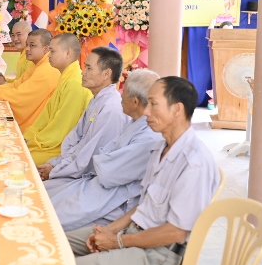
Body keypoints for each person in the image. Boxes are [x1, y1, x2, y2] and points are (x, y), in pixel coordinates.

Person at [66, 77, 221, 265]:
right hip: (132, 234)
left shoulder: (194, 163)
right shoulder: (160, 148)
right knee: (56, 243)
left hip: (157, 256)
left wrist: (117, 242)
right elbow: (144, 205)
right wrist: (110, 230)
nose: (146, 111)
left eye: (153, 104)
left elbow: (176, 232)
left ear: (177, 109)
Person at [49, 69, 162, 232]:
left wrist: (102, 160)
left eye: (124, 92)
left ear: (135, 102)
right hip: (95, 184)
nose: (120, 95)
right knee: (44, 198)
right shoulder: (135, 122)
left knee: (50, 217)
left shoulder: (150, 137)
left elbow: (107, 171)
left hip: (112, 199)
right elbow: (102, 155)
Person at [37, 46, 128, 184]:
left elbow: (92, 157)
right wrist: (55, 164)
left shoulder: (111, 108)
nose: (83, 73)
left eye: (89, 68)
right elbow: (76, 139)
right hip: (74, 167)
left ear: (106, 74)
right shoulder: (97, 100)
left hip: (94, 178)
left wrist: (56, 171)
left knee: (39, 188)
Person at [23, 33, 93, 165]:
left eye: (52, 51)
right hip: (49, 141)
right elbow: (46, 115)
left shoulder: (74, 84)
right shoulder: (66, 77)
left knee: (19, 159)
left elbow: (61, 130)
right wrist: (29, 136)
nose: (48, 55)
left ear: (68, 53)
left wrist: (33, 141)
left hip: (62, 149)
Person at [0, 29, 60, 132]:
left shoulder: (46, 69)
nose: (27, 49)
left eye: (32, 45)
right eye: (27, 45)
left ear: (45, 49)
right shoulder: (37, 64)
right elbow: (17, 85)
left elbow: (20, 95)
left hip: (39, 127)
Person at [0, 20, 33, 86]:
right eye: (13, 35)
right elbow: (18, 81)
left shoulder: (31, 56)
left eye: (19, 35)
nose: (15, 39)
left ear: (30, 35)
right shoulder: (23, 54)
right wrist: (5, 80)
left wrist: (4, 84)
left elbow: (27, 87)